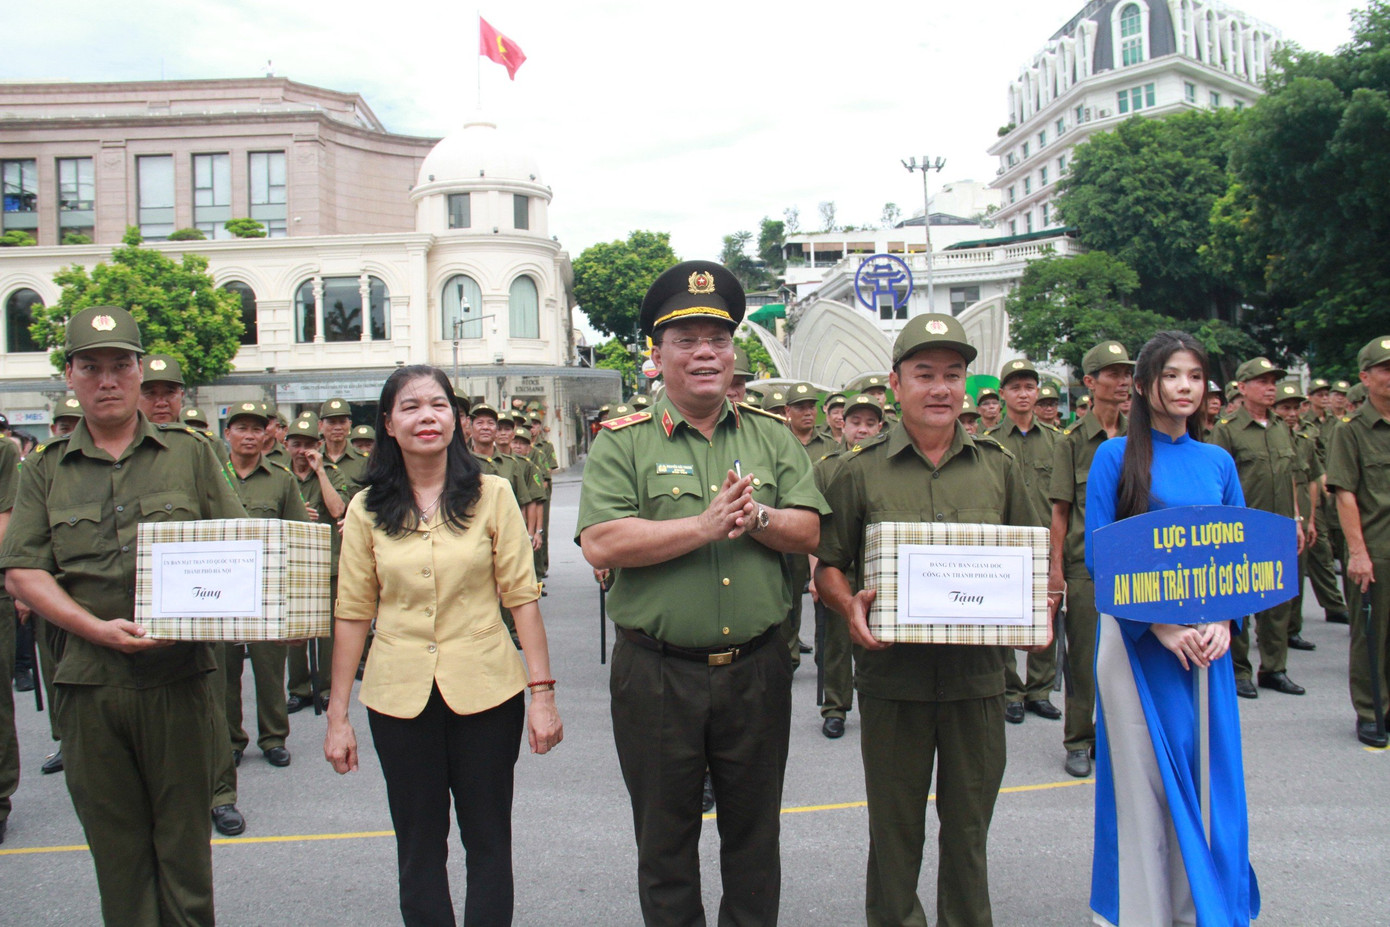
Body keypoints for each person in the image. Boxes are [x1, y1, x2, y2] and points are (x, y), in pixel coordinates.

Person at [578, 260, 826, 926]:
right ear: (658, 356)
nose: (705, 352)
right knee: (665, 843)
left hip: (757, 669)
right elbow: (601, 541)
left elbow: (808, 526)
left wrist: (760, 520)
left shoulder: (772, 438)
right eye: (685, 339)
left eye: (717, 338)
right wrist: (703, 525)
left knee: (754, 841)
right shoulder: (622, 443)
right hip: (657, 674)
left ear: (733, 351)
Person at [0, 305, 247, 925]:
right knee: (118, 855)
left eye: (120, 366)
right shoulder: (43, 470)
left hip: (180, 679)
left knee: (185, 852)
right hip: (89, 684)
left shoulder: (190, 455)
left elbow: (239, 547)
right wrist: (94, 629)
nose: (106, 380)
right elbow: (24, 571)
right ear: (71, 376)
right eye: (92, 367)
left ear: (139, 373)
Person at [815, 313, 1049, 927]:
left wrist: (1039, 608)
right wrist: (848, 606)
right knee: (894, 831)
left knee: (969, 830)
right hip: (894, 680)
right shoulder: (856, 470)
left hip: (978, 681)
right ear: (896, 384)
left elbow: (1032, 562)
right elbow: (828, 567)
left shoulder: (1000, 467)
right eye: (925, 374)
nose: (941, 388)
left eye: (954, 375)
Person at [325, 365, 562, 926]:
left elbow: (521, 597)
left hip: (487, 692)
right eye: (409, 407)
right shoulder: (365, 508)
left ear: (455, 422)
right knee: (419, 847)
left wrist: (543, 694)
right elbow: (353, 612)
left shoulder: (492, 493)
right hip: (398, 697)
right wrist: (337, 715)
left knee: (488, 842)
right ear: (388, 423)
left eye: (436, 405)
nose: (424, 417)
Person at [1084, 330, 1259, 927]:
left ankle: (1205, 908)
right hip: (1138, 645)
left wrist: (1226, 625)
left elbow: (1243, 555)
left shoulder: (1219, 461)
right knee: (1146, 782)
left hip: (1206, 643)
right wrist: (1159, 625)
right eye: (1171, 375)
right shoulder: (1113, 457)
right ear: (1142, 386)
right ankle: (1144, 911)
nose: (1185, 387)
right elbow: (1100, 556)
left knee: (1212, 774)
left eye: (1194, 376)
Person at [1050, 341, 1133, 778]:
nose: (1122, 382)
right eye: (1112, 374)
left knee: (1131, 657)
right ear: (1089, 382)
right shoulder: (1073, 442)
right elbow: (1060, 509)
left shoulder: (1142, 436)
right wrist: (1056, 570)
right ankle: (1079, 739)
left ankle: (1115, 737)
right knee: (1084, 658)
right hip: (1087, 566)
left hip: (1137, 565)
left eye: (1126, 374)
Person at [1211, 358, 1308, 699]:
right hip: (1242, 529)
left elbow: (1292, 476)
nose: (1271, 387)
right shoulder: (1227, 429)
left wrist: (1296, 519)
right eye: (1263, 381)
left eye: (1273, 381)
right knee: (1240, 601)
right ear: (1243, 387)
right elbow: (1218, 483)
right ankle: (1239, 671)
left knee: (1278, 601)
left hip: (1279, 526)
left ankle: (1274, 667)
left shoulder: (1282, 426)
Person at [222, 401, 310, 769]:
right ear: (227, 434)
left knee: (270, 666)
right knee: (223, 670)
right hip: (221, 591)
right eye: (241, 428)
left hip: (266, 591)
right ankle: (230, 738)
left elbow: (297, 536)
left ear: (268, 434)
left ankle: (274, 737)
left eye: (256, 429)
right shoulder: (213, 475)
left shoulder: (281, 478)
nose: (249, 435)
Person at [987, 358, 1062, 724]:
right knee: (1005, 617)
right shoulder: (987, 444)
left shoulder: (1059, 443)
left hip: (1048, 541)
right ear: (1003, 394)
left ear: (1037, 392)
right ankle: (1011, 690)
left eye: (1029, 387)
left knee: (1046, 613)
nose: (1023, 393)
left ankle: (1040, 690)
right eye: (1015, 387)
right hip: (1006, 545)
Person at [1325, 335, 1390, 748]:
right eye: (1385, 369)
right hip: (1377, 550)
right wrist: (1358, 553)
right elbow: (1345, 493)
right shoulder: (1350, 431)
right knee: (1371, 635)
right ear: (1365, 378)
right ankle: (1371, 711)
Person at [811, 393, 883, 739]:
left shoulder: (886, 467)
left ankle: (878, 704)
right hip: (840, 566)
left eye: (871, 423)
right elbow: (813, 523)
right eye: (856, 422)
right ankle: (835, 707)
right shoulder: (827, 466)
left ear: (881, 427)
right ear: (842, 424)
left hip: (878, 569)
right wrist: (815, 573)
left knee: (878, 642)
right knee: (837, 643)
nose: (863, 430)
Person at [284, 412, 350, 713]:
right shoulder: (278, 474)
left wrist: (320, 471)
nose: (302, 451)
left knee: (328, 632)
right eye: (297, 444)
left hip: (327, 562)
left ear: (319, 445)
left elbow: (338, 510)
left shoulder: (331, 472)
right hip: (291, 563)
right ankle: (299, 689)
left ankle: (325, 687)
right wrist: (296, 512)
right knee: (295, 629)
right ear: (286, 445)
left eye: (309, 445)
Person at [1272, 382, 1320, 653]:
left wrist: (1303, 518)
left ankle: (1290, 632)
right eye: (1285, 407)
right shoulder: (1228, 429)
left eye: (1295, 407)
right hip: (1255, 518)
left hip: (1291, 513)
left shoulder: (1296, 437)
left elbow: (1308, 478)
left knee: (1292, 578)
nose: (1291, 413)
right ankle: (1242, 664)